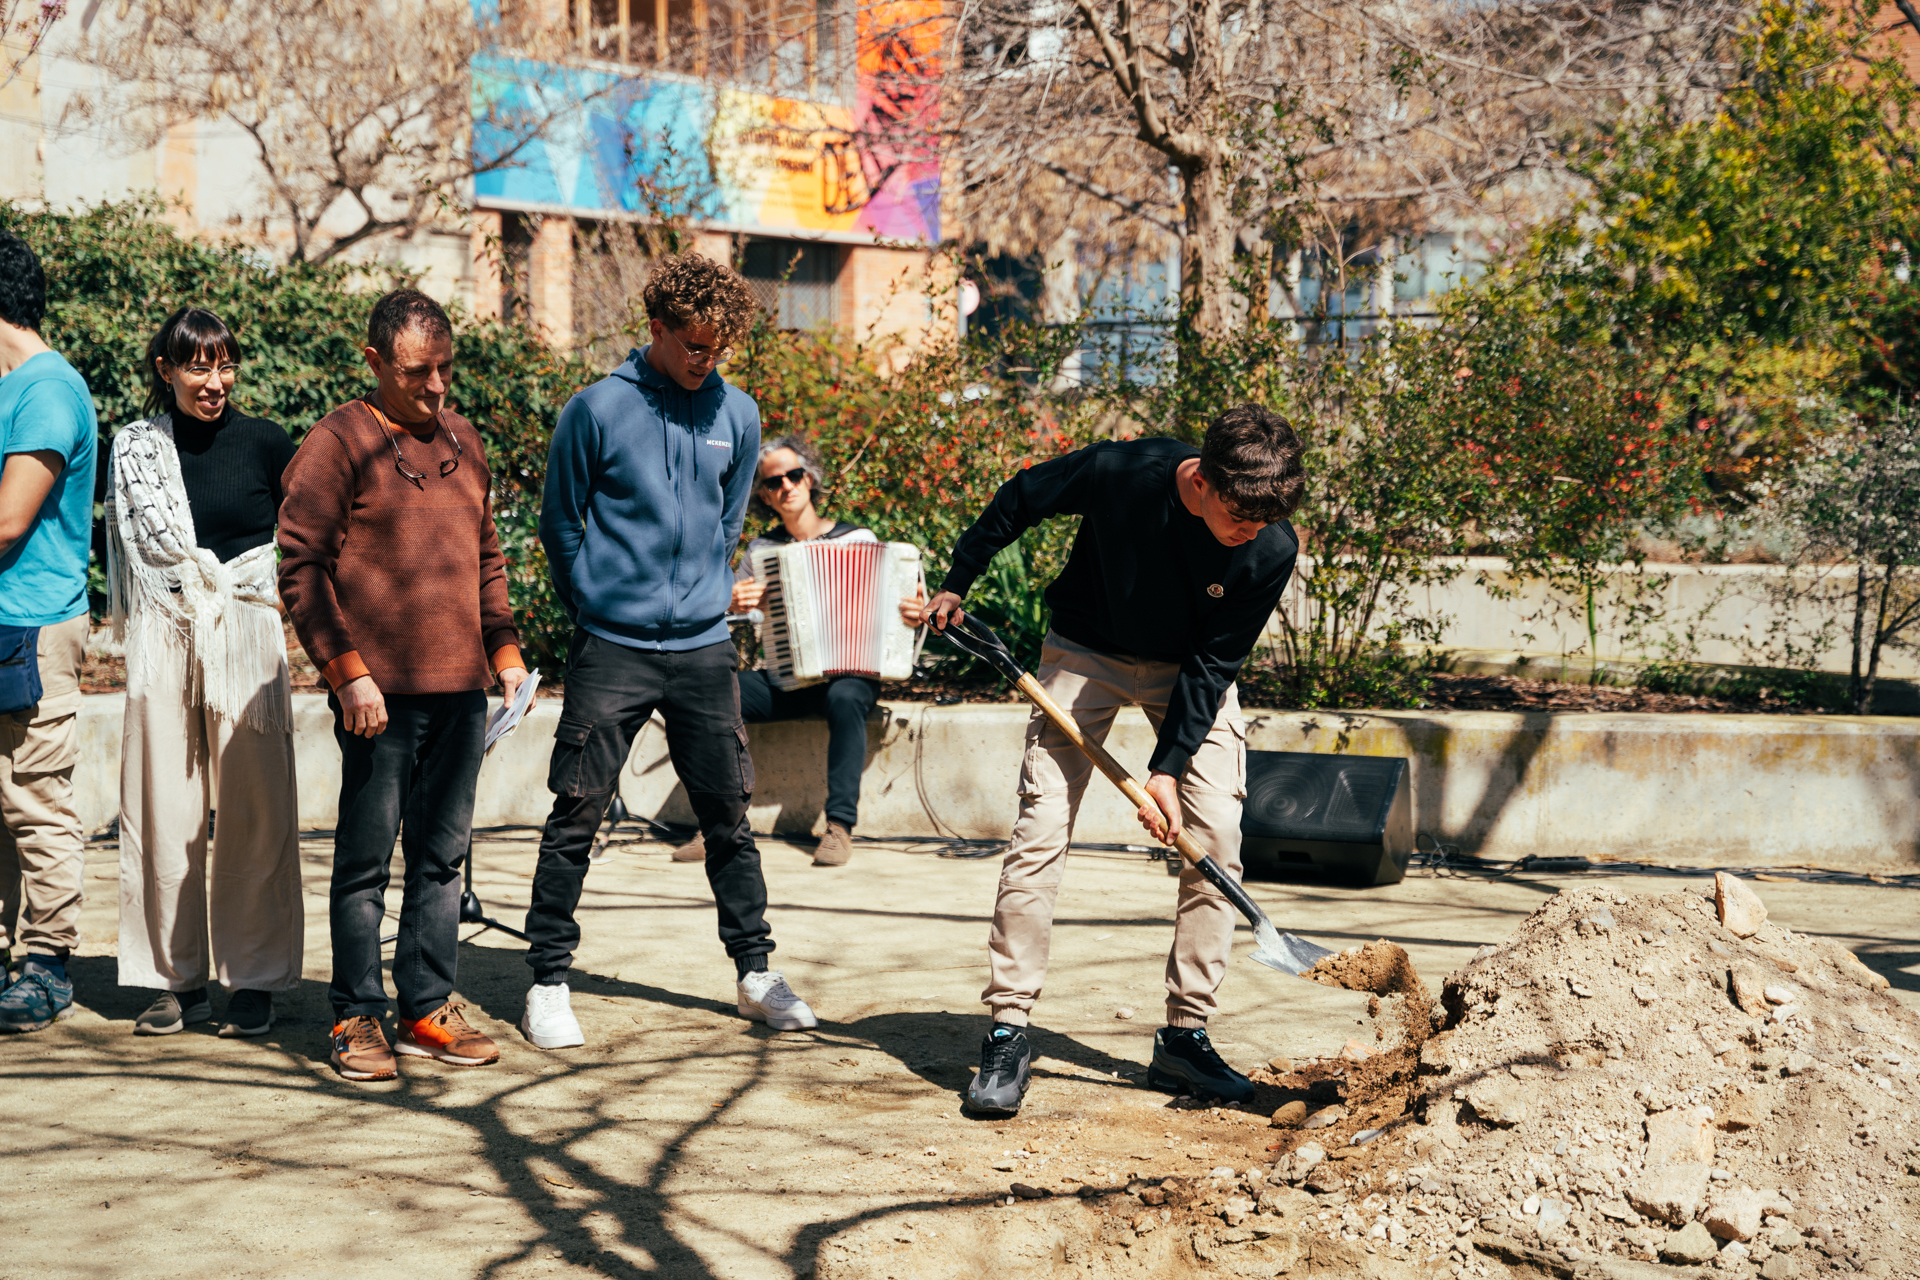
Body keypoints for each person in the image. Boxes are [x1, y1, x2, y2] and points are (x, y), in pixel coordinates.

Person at [925, 404, 1305, 1115]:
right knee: (1040, 828)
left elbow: (1214, 663)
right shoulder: (1122, 470)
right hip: (1085, 652)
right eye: (1240, 518)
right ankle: (1008, 1028)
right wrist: (960, 579)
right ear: (1202, 482)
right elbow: (1021, 497)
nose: (1252, 533)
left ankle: (1185, 1037)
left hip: (1187, 670)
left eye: (1266, 523)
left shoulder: (1269, 546)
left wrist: (1167, 769)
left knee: (1217, 835)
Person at [519, 251, 816, 1052]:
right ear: (655, 327)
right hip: (612, 644)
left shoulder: (738, 414)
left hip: (704, 649)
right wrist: (595, 602)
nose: (705, 360)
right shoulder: (596, 409)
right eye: (692, 345)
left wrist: (706, 593)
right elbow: (561, 523)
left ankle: (756, 974)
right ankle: (547, 981)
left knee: (729, 816)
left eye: (718, 348)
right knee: (577, 811)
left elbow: (728, 521)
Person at [279, 289, 527, 1082]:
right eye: (419, 372)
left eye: (445, 368)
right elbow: (301, 568)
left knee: (442, 859)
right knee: (364, 862)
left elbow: (486, 558)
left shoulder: (463, 440)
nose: (436, 386)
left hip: (460, 692)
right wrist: (347, 673)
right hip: (376, 697)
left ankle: (425, 1006)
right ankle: (356, 1013)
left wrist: (505, 652)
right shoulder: (337, 442)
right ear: (375, 360)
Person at [107, 306, 302, 1039]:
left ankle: (254, 977)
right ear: (166, 371)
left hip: (246, 627)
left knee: (258, 809)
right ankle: (172, 978)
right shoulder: (137, 450)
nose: (215, 382)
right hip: (164, 626)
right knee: (161, 802)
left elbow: (309, 534)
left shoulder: (267, 442)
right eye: (198, 367)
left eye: (225, 365)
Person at [668, 434, 925, 869]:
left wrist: (913, 613)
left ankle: (839, 826)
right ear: (765, 496)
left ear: (810, 479)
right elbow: (721, 609)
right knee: (714, 693)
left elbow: (899, 610)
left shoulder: (858, 538)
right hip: (787, 677)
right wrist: (732, 600)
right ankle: (718, 824)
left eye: (793, 475)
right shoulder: (761, 551)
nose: (786, 486)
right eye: (774, 482)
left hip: (852, 675)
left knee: (846, 695)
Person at [0, 231, 97, 1035]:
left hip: (30, 625)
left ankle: (46, 963)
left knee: (35, 798)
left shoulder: (48, 392)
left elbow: (8, 520)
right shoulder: (15, 388)